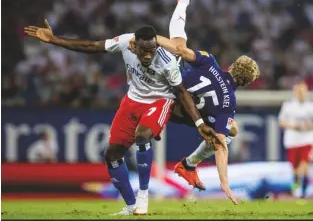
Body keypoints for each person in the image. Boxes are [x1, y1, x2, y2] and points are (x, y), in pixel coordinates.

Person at [24, 22, 220, 216]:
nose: (147, 55)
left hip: (159, 101)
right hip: (132, 101)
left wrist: (200, 123)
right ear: (134, 45)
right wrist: (54, 40)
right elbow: (92, 46)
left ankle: (143, 195)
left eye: (152, 50)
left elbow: (182, 93)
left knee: (142, 135)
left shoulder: (167, 62)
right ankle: (130, 206)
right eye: (143, 50)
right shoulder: (125, 42)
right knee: (112, 155)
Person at [130, 0, 260, 204]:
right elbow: (220, 147)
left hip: (164, 91)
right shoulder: (228, 103)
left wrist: (152, 40)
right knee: (226, 134)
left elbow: (180, 50)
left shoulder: (209, 62)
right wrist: (225, 183)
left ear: (231, 66)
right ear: (246, 83)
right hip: (182, 109)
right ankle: (190, 163)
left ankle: (183, 1)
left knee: (180, 45)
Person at [278, 81, 313, 199]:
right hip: (292, 141)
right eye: (298, 91)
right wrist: (293, 126)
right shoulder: (288, 106)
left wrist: (308, 126)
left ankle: (303, 194)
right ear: (295, 92)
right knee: (295, 169)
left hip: (307, 140)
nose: (301, 93)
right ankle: (296, 181)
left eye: (303, 91)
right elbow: (281, 122)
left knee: (305, 166)